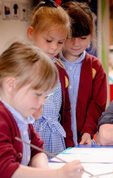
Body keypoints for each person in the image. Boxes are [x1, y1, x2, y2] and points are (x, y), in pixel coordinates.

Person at [0, 42, 83, 178]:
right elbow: (5, 170)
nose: (42, 102)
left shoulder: (22, 117)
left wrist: (46, 172)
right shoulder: (2, 118)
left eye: (45, 96)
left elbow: (37, 150)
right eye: (38, 94)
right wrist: (56, 174)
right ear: (11, 85)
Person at [27, 0, 74, 156]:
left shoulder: (60, 69)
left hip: (56, 139)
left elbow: (65, 111)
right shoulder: (24, 67)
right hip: (31, 137)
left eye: (60, 42)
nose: (54, 47)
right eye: (48, 40)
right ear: (31, 33)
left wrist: (70, 143)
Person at [60, 1, 107, 145]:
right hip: (57, 140)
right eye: (70, 37)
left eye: (83, 38)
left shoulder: (95, 67)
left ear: (91, 36)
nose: (76, 44)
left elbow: (98, 104)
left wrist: (88, 130)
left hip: (85, 139)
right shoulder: (51, 64)